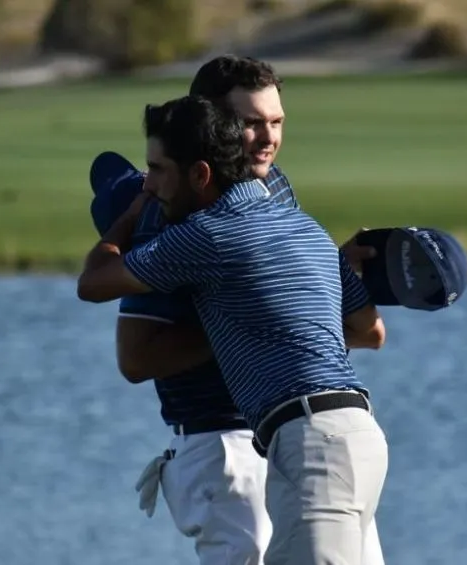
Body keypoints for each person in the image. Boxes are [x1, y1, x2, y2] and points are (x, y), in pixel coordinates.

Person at [88, 55, 388, 565]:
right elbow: (136, 358)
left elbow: (362, 330)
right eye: (251, 124)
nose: (267, 138)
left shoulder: (277, 194)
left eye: (276, 122)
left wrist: (309, 293)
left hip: (298, 435)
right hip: (222, 441)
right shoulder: (170, 216)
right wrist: (252, 320)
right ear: (212, 125)